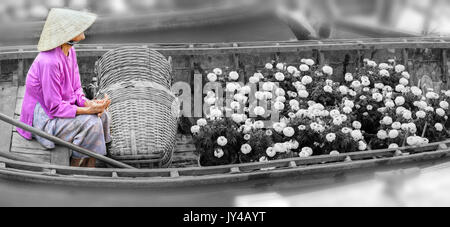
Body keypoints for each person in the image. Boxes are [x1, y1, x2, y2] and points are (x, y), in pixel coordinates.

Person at [17, 8, 112, 168]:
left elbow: (76, 88)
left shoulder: (71, 51)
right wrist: (88, 111)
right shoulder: (49, 62)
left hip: (60, 106)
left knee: (103, 116)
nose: (82, 29)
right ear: (66, 35)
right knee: (92, 123)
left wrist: (89, 104)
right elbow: (54, 107)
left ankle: (92, 161)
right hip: (44, 116)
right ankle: (75, 166)